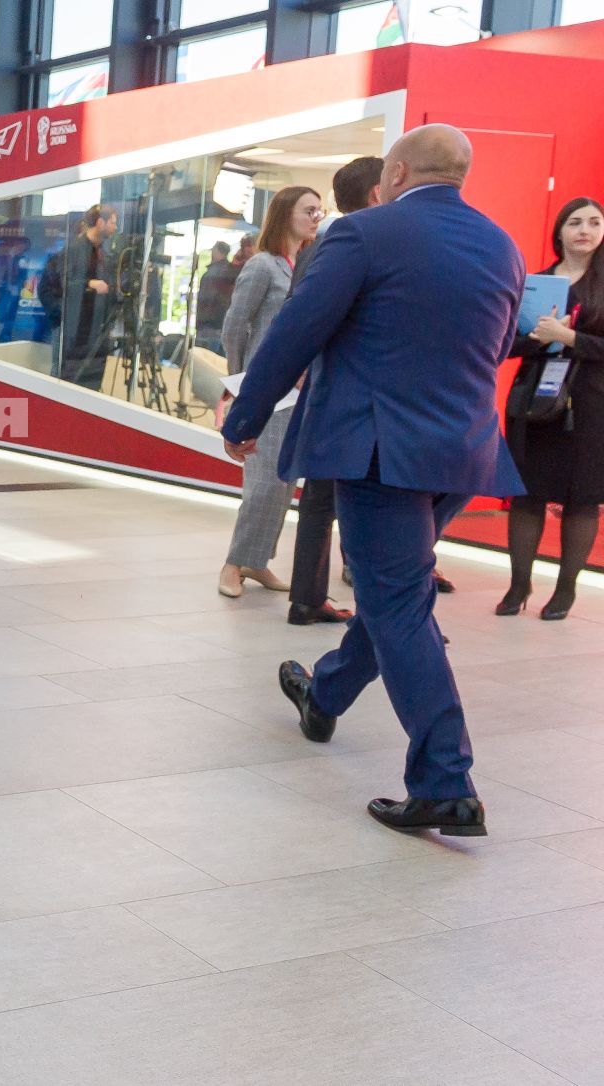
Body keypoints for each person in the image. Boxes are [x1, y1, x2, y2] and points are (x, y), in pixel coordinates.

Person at [228, 124, 522, 837]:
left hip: (379, 450)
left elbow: (298, 328)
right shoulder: (502, 245)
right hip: (464, 452)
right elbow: (503, 341)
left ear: (395, 171)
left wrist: (247, 413)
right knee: (402, 594)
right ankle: (324, 694)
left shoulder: (362, 234)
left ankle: (446, 783)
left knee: (397, 607)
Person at [497, 196, 604, 620]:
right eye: (575, 222)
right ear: (559, 231)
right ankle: (518, 583)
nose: (585, 229)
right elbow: (504, 344)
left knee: (582, 499)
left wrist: (572, 337)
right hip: (534, 401)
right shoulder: (536, 282)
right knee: (526, 494)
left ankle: (565, 589)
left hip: (592, 404)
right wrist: (541, 337)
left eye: (595, 222)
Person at [284, 159, 379, 626]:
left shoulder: (315, 246)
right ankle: (376, 603)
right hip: (358, 393)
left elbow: (295, 317)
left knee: (320, 499)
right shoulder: (367, 243)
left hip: (324, 388)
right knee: (365, 499)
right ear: (382, 191)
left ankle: (306, 598)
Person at [217, 185, 322, 599]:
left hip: (299, 391)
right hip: (268, 390)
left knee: (282, 482)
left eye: (319, 210)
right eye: (308, 210)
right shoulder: (262, 266)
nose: (316, 217)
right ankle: (233, 563)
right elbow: (234, 325)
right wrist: (242, 382)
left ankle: (256, 561)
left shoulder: (307, 265)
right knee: (263, 481)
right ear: (285, 214)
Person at [42, 205, 116, 390]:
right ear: (100, 223)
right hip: (70, 329)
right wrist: (89, 284)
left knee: (86, 382)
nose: (115, 227)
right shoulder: (73, 251)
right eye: (113, 222)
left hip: (90, 330)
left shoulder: (102, 255)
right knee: (62, 378)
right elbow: (58, 284)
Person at [193, 241, 236, 356]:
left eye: (213, 250)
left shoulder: (213, 273)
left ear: (218, 252)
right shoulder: (230, 271)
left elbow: (208, 299)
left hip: (210, 325)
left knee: (205, 359)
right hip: (220, 323)